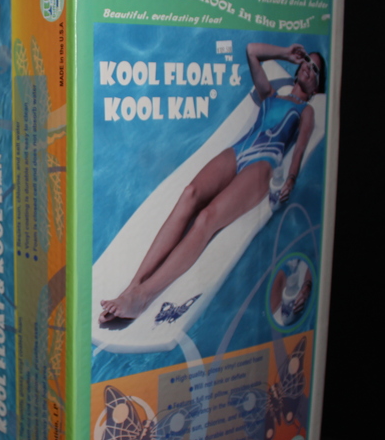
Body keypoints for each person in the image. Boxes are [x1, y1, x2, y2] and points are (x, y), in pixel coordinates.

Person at [99, 42, 324, 324]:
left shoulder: (306, 111)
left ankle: (143, 297)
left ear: (316, 87)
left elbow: (300, 148)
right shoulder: (270, 94)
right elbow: (252, 51)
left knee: (206, 218)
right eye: (306, 62)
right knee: (189, 194)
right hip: (239, 151)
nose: (308, 68)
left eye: (315, 69)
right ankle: (134, 285)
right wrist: (285, 53)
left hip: (263, 164)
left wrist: (290, 178)